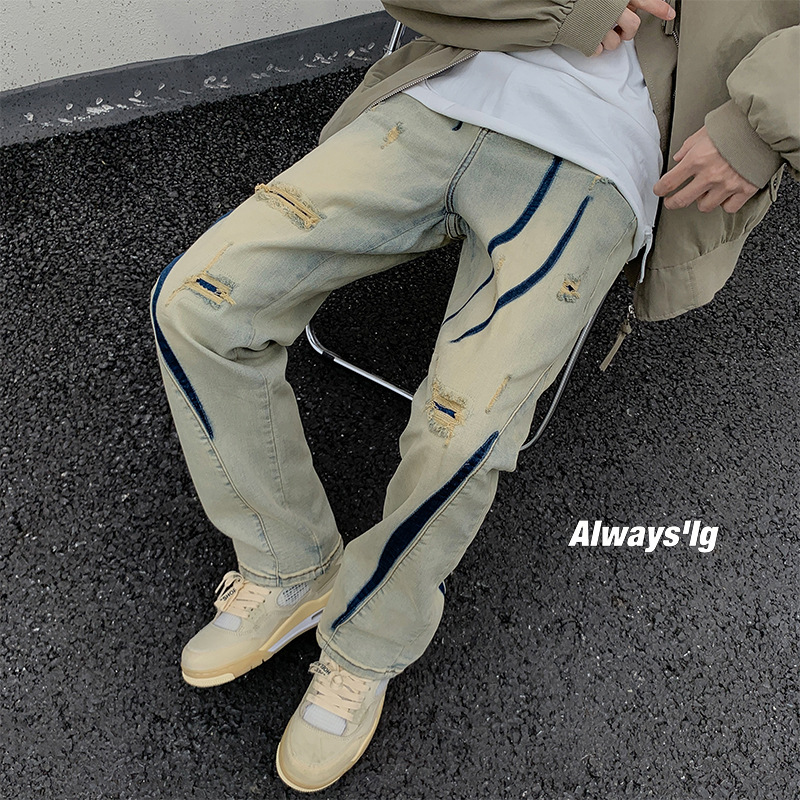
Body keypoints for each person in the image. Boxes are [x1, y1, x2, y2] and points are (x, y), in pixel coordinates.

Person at [150, 0, 799, 791]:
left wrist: (762, 124)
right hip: (448, 90)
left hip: (606, 156)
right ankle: (288, 564)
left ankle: (365, 646)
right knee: (198, 305)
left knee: (464, 431)